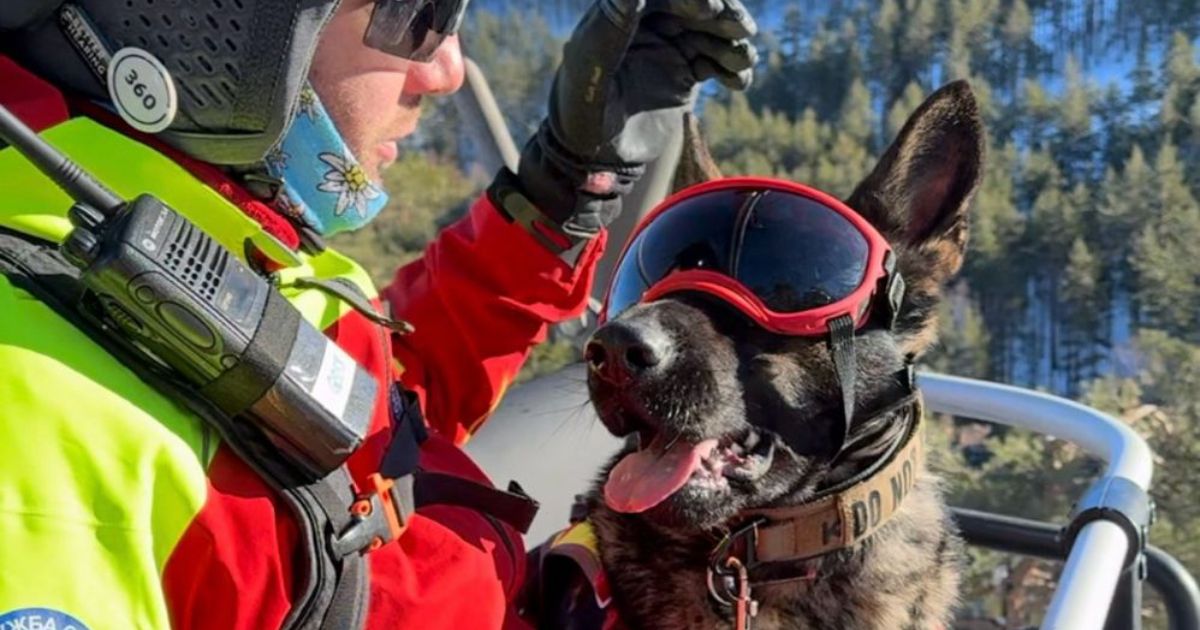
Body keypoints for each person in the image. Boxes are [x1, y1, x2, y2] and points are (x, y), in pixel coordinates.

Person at [0, 0, 756, 628]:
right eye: (412, 14)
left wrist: (564, 185)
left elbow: (357, 435)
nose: (445, 70)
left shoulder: (156, 245)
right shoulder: (35, 424)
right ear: (211, 24)